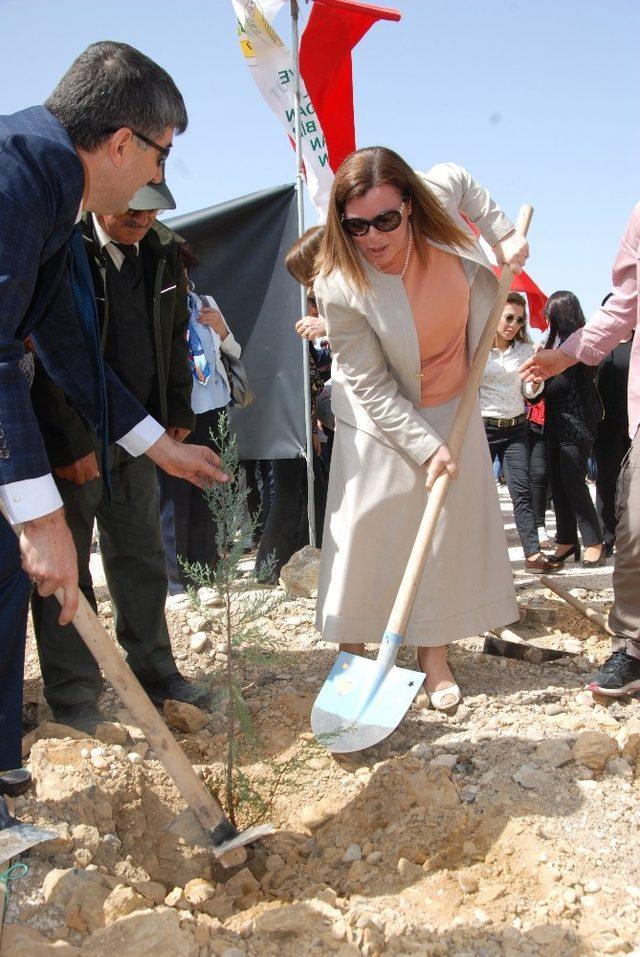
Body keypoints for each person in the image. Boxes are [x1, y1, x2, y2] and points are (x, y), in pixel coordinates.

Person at [0, 42, 225, 772]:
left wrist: (161, 446)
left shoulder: (52, 192)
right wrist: (43, 518)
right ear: (123, 141)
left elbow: (66, 345)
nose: (160, 176)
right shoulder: (17, 179)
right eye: (161, 155)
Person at [314, 148, 528, 710]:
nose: (373, 236)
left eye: (386, 220)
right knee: (367, 528)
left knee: (440, 532)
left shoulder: (439, 198)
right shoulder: (339, 282)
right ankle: (355, 656)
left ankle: (433, 658)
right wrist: (421, 445)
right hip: (378, 413)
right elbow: (368, 383)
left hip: (452, 398)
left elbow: (465, 179)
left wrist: (504, 235)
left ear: (409, 205)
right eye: (356, 225)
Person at [29, 181, 211, 731]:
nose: (137, 216)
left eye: (149, 206)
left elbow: (177, 336)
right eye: (128, 204)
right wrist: (69, 442)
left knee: (141, 555)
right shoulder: (64, 248)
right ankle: (76, 697)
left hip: (141, 435)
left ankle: (157, 675)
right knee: (68, 572)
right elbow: (47, 350)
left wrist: (174, 409)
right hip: (79, 439)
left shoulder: (164, 252)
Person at [521, 204, 640, 696]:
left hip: (578, 433)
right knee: (634, 526)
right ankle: (634, 646)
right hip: (595, 429)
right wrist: (565, 354)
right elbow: (624, 306)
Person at [158, 243, 243, 593]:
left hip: (215, 405)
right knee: (176, 492)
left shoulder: (206, 303)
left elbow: (234, 353)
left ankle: (207, 569)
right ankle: (177, 581)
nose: (182, 276)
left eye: (184, 269)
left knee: (212, 482)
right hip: (179, 411)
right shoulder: (160, 304)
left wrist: (221, 329)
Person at [480, 293, 552, 571]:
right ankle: (477, 554)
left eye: (519, 320)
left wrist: (535, 384)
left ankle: (532, 553)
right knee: (477, 493)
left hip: (515, 429)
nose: (513, 324)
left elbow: (529, 392)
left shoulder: (526, 350)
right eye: (508, 317)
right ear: (495, 315)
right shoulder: (477, 346)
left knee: (521, 491)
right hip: (482, 428)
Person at [537, 292, 605, 569]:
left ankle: (594, 542)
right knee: (560, 485)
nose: (547, 320)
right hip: (555, 424)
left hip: (575, 425)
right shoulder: (553, 343)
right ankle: (566, 541)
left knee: (574, 485)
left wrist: (540, 373)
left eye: (551, 315)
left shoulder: (579, 343)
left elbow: (561, 384)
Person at [593, 294, 633, 556]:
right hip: (606, 427)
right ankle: (606, 535)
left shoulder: (638, 343)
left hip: (635, 426)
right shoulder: (598, 346)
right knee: (606, 482)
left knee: (633, 484)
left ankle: (630, 537)